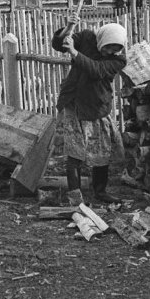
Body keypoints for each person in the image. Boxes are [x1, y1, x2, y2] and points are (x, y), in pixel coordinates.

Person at [51, 16, 127, 205]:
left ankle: (100, 191)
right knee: (75, 150)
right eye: (109, 46)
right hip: (74, 102)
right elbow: (59, 44)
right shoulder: (86, 37)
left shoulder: (119, 61)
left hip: (97, 106)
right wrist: (68, 27)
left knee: (101, 151)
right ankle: (75, 195)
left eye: (115, 49)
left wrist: (75, 53)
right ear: (102, 39)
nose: (110, 51)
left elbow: (96, 71)